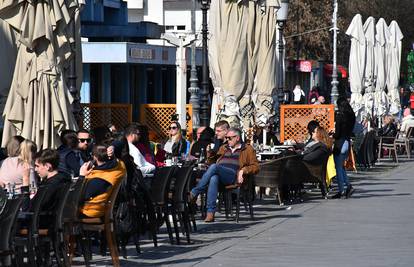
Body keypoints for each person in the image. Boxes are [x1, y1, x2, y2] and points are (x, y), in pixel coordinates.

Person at [190, 128, 259, 222]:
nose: (227, 140)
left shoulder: (247, 149)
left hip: (234, 176)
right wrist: (210, 153)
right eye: (226, 138)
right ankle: (210, 213)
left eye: (229, 138)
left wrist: (243, 170)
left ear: (237, 138)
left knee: (215, 167)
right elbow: (211, 162)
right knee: (214, 178)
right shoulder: (224, 148)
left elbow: (256, 167)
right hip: (221, 175)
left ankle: (194, 192)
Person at [22, 149, 71, 225]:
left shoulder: (49, 186)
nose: (35, 169)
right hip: (56, 221)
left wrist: (25, 180)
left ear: (48, 166)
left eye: (37, 166)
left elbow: (27, 209)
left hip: (42, 223)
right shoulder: (64, 179)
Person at [79, 145, 126, 218]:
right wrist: (113, 154)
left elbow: (79, 196)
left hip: (90, 211)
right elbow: (119, 143)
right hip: (104, 207)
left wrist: (81, 176)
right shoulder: (120, 166)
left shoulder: (98, 179)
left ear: (94, 157)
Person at [330, 97, 356, 199]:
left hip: (340, 144)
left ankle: (342, 190)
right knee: (342, 167)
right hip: (347, 142)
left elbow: (337, 134)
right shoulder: (351, 115)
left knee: (338, 168)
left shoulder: (340, 116)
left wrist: (332, 134)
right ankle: (348, 187)